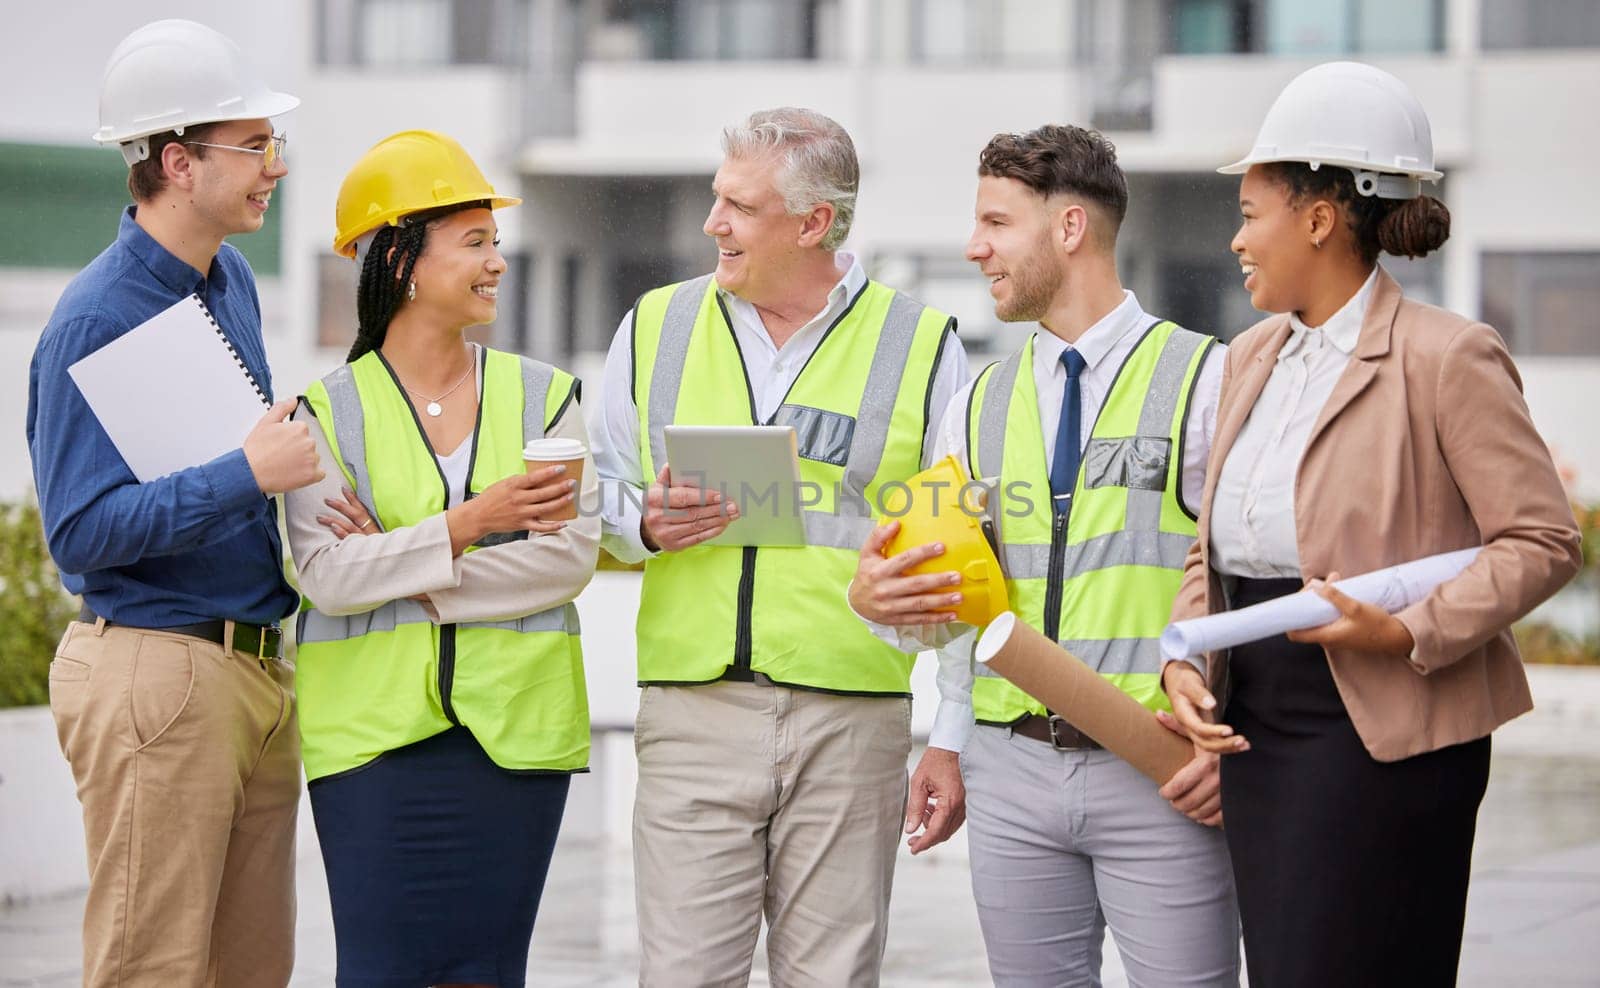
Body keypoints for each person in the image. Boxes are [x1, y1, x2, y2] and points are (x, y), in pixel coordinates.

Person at [1161, 61, 1583, 987]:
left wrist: (1404, 628)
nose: (1236, 238)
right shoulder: (1249, 357)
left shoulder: (1447, 357)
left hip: (1384, 734)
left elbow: (1543, 541)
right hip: (1259, 727)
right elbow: (1214, 540)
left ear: (1317, 218)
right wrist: (1186, 656)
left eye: (1249, 210)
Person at [851, 124, 1241, 986]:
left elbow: (1251, 581)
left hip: (1160, 767)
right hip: (1010, 773)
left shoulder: (1204, 380)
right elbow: (959, 604)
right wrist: (944, 733)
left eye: (997, 222)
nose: (973, 246)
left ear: (1069, 229)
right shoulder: (976, 405)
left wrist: (1233, 745)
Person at [590, 106, 969, 986]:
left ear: (813, 224)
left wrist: (951, 734)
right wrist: (640, 522)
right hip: (692, 716)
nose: (713, 224)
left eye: (739, 207)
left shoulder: (919, 345)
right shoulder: (656, 326)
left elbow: (952, 562)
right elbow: (591, 492)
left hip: (854, 724)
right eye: (718, 200)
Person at [26, 19, 311, 986]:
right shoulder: (96, 319)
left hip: (253, 675)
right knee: (149, 969)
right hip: (159, 675)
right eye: (255, 145)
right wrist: (247, 474)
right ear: (181, 163)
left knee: (249, 974)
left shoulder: (225, 278)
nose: (275, 165)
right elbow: (79, 532)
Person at [284, 130, 598, 988]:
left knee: (490, 972)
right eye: (474, 242)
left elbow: (568, 556)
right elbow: (326, 576)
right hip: (374, 750)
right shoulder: (325, 414)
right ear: (401, 258)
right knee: (380, 972)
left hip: (517, 741)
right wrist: (472, 524)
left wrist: (409, 568)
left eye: (495, 241)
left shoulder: (546, 395)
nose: (497, 261)